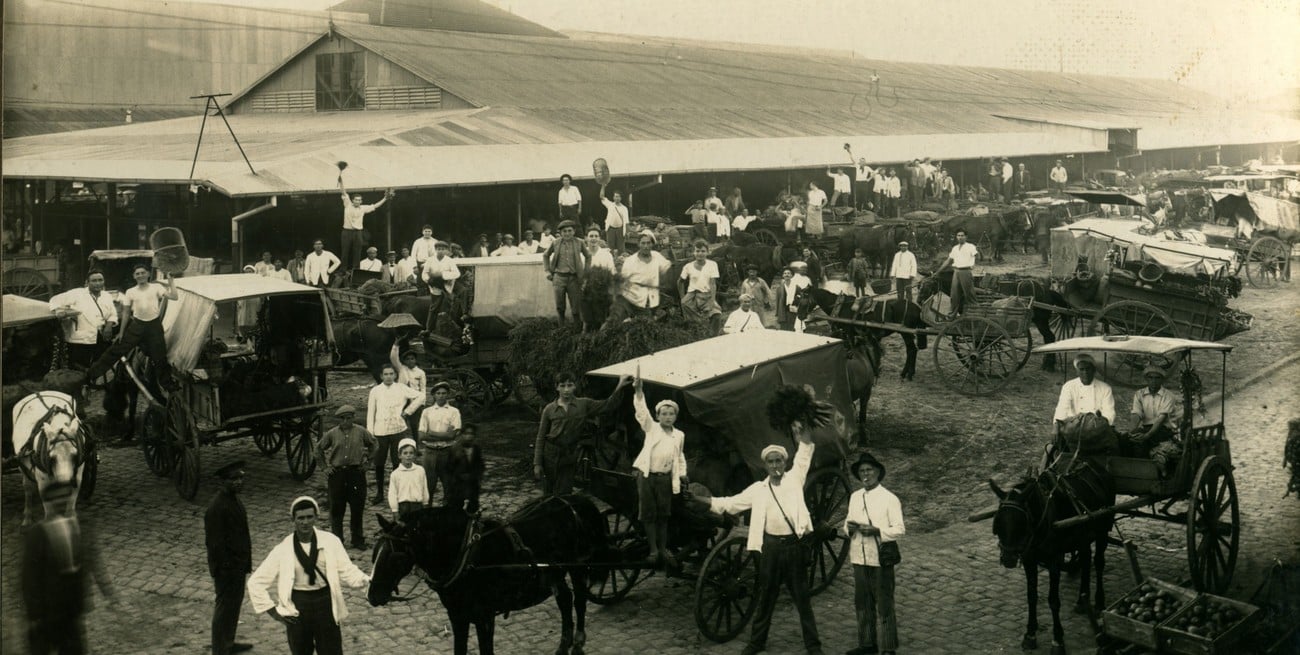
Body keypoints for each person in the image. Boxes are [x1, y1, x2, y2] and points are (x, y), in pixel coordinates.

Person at [690, 422, 823, 655]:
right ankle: (757, 643)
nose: (775, 465)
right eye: (771, 462)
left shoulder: (795, 479)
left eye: (778, 461)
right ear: (765, 465)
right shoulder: (758, 490)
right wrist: (700, 500)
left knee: (802, 599)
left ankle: (813, 646)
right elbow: (729, 504)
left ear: (785, 463)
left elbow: (805, 451)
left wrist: (804, 427)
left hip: (793, 548)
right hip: (770, 549)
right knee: (766, 598)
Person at [247, 496, 371, 655]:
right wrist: (274, 612)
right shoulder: (283, 549)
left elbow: (348, 571)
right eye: (300, 518)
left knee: (331, 651)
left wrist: (368, 581)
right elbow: (256, 582)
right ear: (293, 520)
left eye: (309, 517)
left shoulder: (331, 541)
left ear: (316, 517)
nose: (305, 522)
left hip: (325, 602)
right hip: (299, 605)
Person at [23, 480, 116, 655]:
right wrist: (34, 614)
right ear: (48, 503)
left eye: (65, 497)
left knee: (74, 649)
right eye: (57, 499)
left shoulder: (80, 526)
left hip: (72, 606)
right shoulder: (37, 533)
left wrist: (107, 591)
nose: (62, 502)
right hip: (48, 609)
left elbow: (92, 560)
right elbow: (29, 578)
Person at [844, 452, 904, 655]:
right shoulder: (855, 497)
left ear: (878, 472)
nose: (866, 474)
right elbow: (847, 522)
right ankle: (867, 644)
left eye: (869, 470)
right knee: (862, 602)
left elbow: (899, 529)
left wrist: (877, 530)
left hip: (880, 559)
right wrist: (849, 528)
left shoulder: (889, 499)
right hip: (859, 558)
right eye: (862, 471)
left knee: (884, 603)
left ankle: (888, 647)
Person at [534, 373, 632, 495]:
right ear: (557, 387)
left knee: (564, 495)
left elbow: (608, 405)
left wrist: (620, 385)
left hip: (568, 457)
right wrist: (537, 463)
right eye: (562, 386)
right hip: (549, 456)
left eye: (570, 385)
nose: (566, 390)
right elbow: (540, 437)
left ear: (575, 386)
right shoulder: (549, 409)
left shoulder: (583, 404)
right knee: (548, 495)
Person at [85, 264, 178, 387]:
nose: (140, 275)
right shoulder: (130, 292)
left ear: (148, 274)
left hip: (154, 326)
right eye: (137, 274)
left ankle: (167, 384)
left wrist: (171, 280)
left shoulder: (156, 287)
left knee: (159, 356)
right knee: (115, 350)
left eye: (143, 273)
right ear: (134, 276)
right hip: (137, 325)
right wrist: (122, 332)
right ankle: (89, 376)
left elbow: (174, 297)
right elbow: (126, 313)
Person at [631, 375, 688, 569]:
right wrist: (639, 391)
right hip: (648, 477)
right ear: (657, 416)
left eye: (671, 414)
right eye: (664, 414)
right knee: (649, 514)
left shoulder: (679, 435)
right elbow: (642, 412)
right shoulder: (652, 428)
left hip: (665, 479)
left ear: (675, 417)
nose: (667, 417)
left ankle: (663, 548)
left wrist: (682, 473)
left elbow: (680, 456)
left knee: (663, 515)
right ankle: (653, 550)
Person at [205, 461, 253, 655]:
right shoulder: (217, 508)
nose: (239, 482)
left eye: (241, 477)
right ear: (223, 481)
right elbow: (214, 543)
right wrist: (226, 568)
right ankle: (219, 649)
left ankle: (228, 642)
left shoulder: (233, 500)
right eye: (234, 479)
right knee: (225, 607)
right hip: (227, 569)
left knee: (234, 605)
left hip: (237, 565)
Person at [314, 405, 376, 549]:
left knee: (357, 508)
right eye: (342, 419)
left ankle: (357, 539)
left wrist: (368, 463)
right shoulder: (332, 433)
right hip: (337, 475)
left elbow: (374, 444)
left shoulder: (361, 432)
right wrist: (325, 467)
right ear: (339, 420)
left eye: (348, 418)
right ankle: (337, 540)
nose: (345, 421)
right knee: (337, 509)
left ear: (353, 418)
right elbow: (318, 449)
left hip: (356, 473)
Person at [368, 364, 423, 505]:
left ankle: (397, 493)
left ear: (395, 375)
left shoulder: (401, 388)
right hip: (380, 431)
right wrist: (370, 433)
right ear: (381, 376)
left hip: (398, 430)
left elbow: (420, 396)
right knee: (379, 463)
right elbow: (371, 412)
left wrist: (407, 411)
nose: (388, 377)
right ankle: (380, 493)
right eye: (385, 374)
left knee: (397, 462)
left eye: (391, 374)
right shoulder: (375, 391)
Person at [49, 270, 118, 372]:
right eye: (94, 281)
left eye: (100, 280)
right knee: (79, 367)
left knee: (99, 363)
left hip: (100, 335)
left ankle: (95, 380)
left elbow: (113, 313)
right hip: (81, 337)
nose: (98, 283)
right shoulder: (77, 293)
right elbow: (55, 300)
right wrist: (59, 310)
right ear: (87, 282)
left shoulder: (106, 296)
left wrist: (109, 326)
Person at [1125, 366, 1182, 473]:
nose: (1154, 381)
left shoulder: (1169, 396)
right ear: (1146, 379)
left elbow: (1161, 419)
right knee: (1129, 438)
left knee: (1142, 441)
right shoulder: (1139, 394)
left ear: (1162, 380)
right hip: (1147, 428)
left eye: (1157, 378)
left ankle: (1147, 471)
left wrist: (1147, 435)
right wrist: (1131, 431)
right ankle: (1134, 469)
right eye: (1150, 378)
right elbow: (1136, 414)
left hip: (1164, 430)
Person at [1053, 353, 1116, 444]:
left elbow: (1109, 413)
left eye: (1088, 369)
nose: (1085, 372)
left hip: (1097, 429)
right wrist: (1056, 426)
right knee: (1053, 447)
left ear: (1094, 370)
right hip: (1073, 428)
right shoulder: (1069, 386)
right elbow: (1062, 408)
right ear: (1077, 371)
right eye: (1081, 369)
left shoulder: (1105, 388)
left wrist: (1099, 425)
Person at [610, 232, 671, 322]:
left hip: (652, 299)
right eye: (643, 243)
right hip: (634, 300)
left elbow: (667, 268)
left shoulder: (657, 256)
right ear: (638, 244)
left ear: (652, 244)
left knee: (653, 318)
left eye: (648, 243)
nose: (646, 246)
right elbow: (623, 281)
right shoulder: (630, 261)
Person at [417, 381, 461, 504]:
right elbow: (421, 436)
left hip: (447, 452)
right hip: (430, 453)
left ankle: (446, 510)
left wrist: (431, 433)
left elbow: (452, 435)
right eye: (438, 393)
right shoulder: (427, 412)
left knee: (448, 484)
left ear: (448, 394)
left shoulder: (454, 411)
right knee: (428, 485)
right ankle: (428, 509)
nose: (441, 396)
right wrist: (444, 435)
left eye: (444, 393)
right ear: (434, 395)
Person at [338, 185, 391, 271]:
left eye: (359, 200)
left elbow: (375, 206)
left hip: (358, 232)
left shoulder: (363, 208)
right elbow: (344, 192)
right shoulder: (348, 205)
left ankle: (356, 270)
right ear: (352, 200)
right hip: (347, 231)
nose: (358, 201)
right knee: (345, 251)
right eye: (356, 200)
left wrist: (385, 198)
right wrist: (341, 183)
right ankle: (343, 270)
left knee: (357, 252)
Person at [545, 219, 588, 323]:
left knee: (576, 307)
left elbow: (588, 256)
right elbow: (545, 255)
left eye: (569, 231)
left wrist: (586, 272)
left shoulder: (579, 242)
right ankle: (561, 328)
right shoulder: (555, 243)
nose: (567, 233)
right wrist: (547, 271)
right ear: (560, 232)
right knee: (560, 306)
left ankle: (577, 329)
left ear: (574, 231)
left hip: (574, 278)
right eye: (564, 231)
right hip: (559, 278)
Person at [678, 239, 723, 333]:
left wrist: (712, 301)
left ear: (707, 252)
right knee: (693, 321)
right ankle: (697, 333)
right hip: (692, 296)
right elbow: (680, 282)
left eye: (703, 251)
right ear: (693, 252)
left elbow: (713, 284)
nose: (700, 254)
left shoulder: (712, 265)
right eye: (697, 251)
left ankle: (713, 337)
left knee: (717, 315)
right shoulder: (688, 266)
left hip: (707, 295)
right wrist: (682, 297)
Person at [447, 423, 485, 513]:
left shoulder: (477, 449)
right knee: (457, 508)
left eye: (471, 434)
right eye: (466, 434)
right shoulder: (454, 449)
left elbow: (480, 465)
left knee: (473, 507)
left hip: (472, 484)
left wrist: (477, 476)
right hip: (458, 485)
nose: (469, 436)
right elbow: (449, 468)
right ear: (461, 435)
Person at [939, 230, 978, 316]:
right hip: (956, 272)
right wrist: (939, 271)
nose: (960, 237)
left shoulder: (970, 246)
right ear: (956, 237)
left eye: (962, 235)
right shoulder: (955, 248)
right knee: (954, 295)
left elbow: (976, 256)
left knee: (969, 294)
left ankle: (975, 314)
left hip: (965, 271)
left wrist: (972, 264)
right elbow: (948, 261)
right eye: (958, 235)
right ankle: (952, 315)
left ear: (966, 237)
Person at [421, 241, 461, 326]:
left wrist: (443, 275)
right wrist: (429, 280)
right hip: (435, 285)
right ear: (435, 250)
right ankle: (429, 328)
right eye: (439, 249)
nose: (440, 251)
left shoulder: (449, 260)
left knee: (449, 305)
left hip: (447, 285)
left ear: (446, 250)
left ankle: (449, 326)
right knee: (434, 307)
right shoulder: (430, 260)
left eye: (443, 249)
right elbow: (424, 273)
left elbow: (457, 273)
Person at [387, 438, 429, 519]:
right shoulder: (395, 474)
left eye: (411, 453)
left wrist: (425, 503)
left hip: (417, 506)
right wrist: (395, 510)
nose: (408, 456)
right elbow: (392, 494)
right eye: (405, 453)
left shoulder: (420, 470)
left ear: (415, 455)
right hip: (403, 507)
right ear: (399, 455)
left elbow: (424, 488)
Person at [599, 185, 629, 254]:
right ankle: (610, 260)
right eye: (615, 196)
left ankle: (621, 260)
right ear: (613, 197)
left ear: (621, 198)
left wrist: (627, 232)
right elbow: (601, 197)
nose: (616, 198)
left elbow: (626, 221)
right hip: (611, 229)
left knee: (621, 248)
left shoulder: (624, 208)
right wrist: (603, 186)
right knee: (610, 248)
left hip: (620, 229)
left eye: (618, 196)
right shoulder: (610, 205)